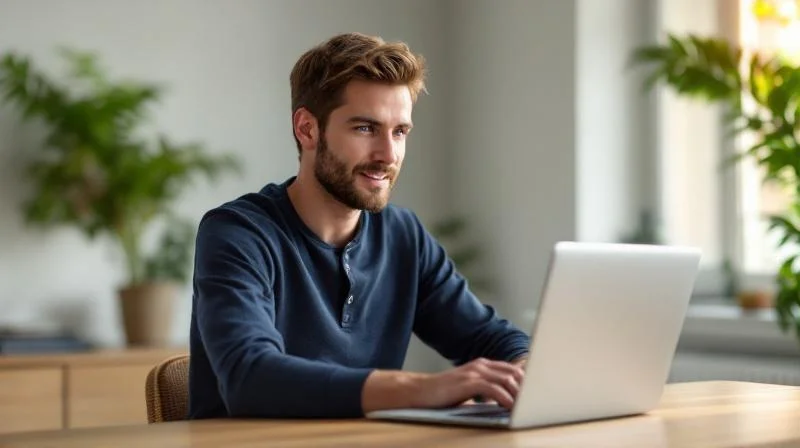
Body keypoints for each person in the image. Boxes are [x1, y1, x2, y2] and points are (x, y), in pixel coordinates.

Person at [187, 32, 530, 420]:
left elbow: (490, 339)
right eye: (366, 128)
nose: (388, 155)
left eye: (400, 131)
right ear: (307, 129)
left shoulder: (403, 236)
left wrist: (525, 372)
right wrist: (427, 388)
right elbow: (249, 378)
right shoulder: (238, 234)